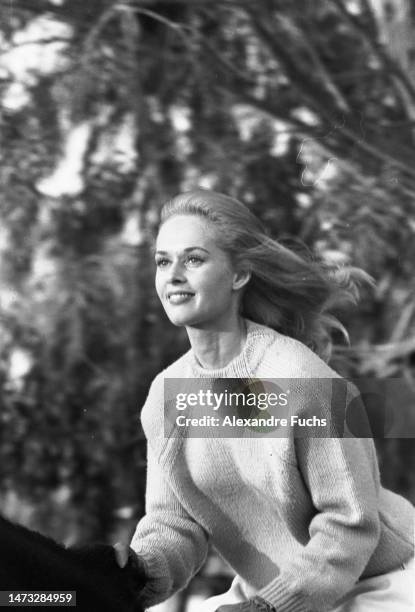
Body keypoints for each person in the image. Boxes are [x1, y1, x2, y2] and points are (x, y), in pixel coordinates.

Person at [128, 189, 414, 612]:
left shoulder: (303, 378)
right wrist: (132, 574)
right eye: (163, 261)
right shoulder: (166, 396)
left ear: (239, 275)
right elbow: (176, 525)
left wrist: (269, 608)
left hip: (377, 583)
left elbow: (349, 527)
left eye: (194, 259)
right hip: (274, 593)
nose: (173, 275)